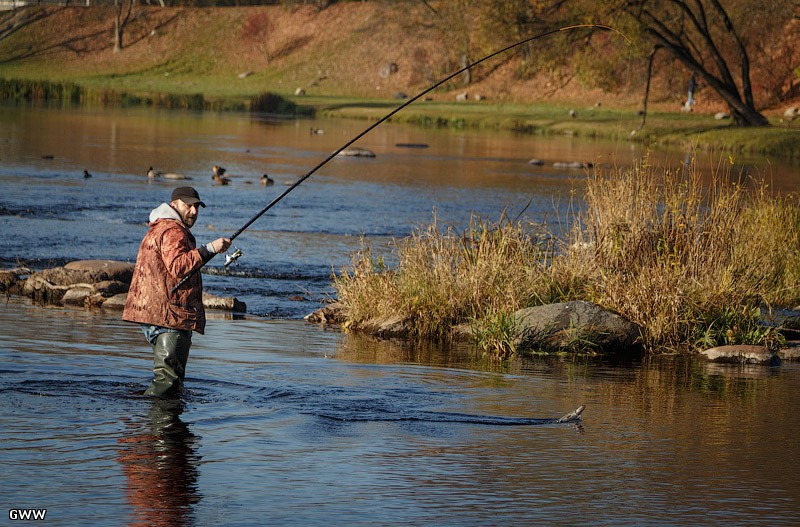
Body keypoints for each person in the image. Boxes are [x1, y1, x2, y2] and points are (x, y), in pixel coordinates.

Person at [123, 186, 231, 397]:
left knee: (168, 380)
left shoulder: (160, 227)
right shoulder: (173, 230)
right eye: (188, 206)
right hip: (170, 315)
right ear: (174, 205)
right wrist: (210, 248)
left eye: (196, 207)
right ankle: (160, 427)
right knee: (167, 383)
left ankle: (163, 425)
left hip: (157, 312)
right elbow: (178, 266)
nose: (193, 211)